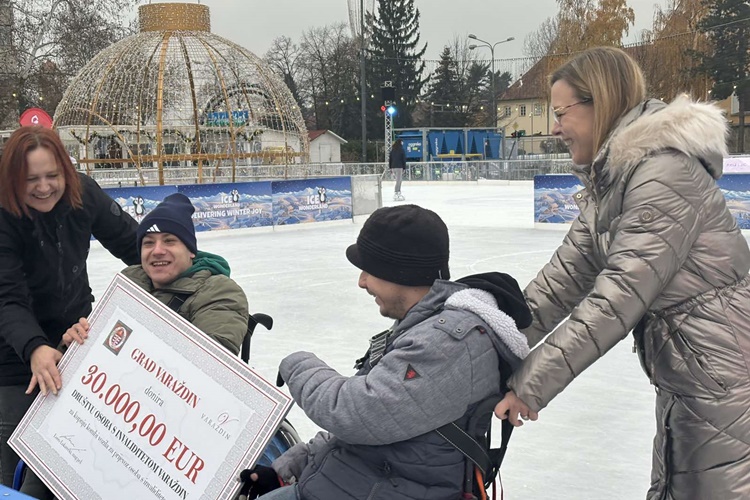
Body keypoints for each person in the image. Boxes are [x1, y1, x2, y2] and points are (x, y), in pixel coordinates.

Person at [494, 46, 750, 499]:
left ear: (601, 103)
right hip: (692, 375)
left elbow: (615, 301)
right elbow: (560, 282)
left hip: (724, 378)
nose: (554, 128)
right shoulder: (616, 181)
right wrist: (489, 345)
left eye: (561, 112)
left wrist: (527, 384)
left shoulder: (663, 175)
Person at [242, 204, 532, 500]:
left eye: (370, 270)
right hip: (360, 482)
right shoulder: (421, 326)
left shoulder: (447, 344)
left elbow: (354, 411)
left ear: (401, 271)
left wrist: (297, 363)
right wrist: (293, 465)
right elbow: (374, 424)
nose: (362, 282)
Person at [0, 126, 140, 489]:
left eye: (52, 175)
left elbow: (135, 244)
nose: (44, 187)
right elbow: (7, 297)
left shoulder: (83, 194)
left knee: (88, 444)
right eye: (31, 179)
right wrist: (33, 348)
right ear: (13, 179)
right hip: (13, 357)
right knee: (17, 444)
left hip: (74, 338)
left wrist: (190, 265)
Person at [64, 192, 249, 356]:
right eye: (149, 243)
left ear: (191, 251)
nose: (157, 250)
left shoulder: (219, 292)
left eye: (169, 241)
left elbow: (211, 365)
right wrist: (74, 346)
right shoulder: (129, 282)